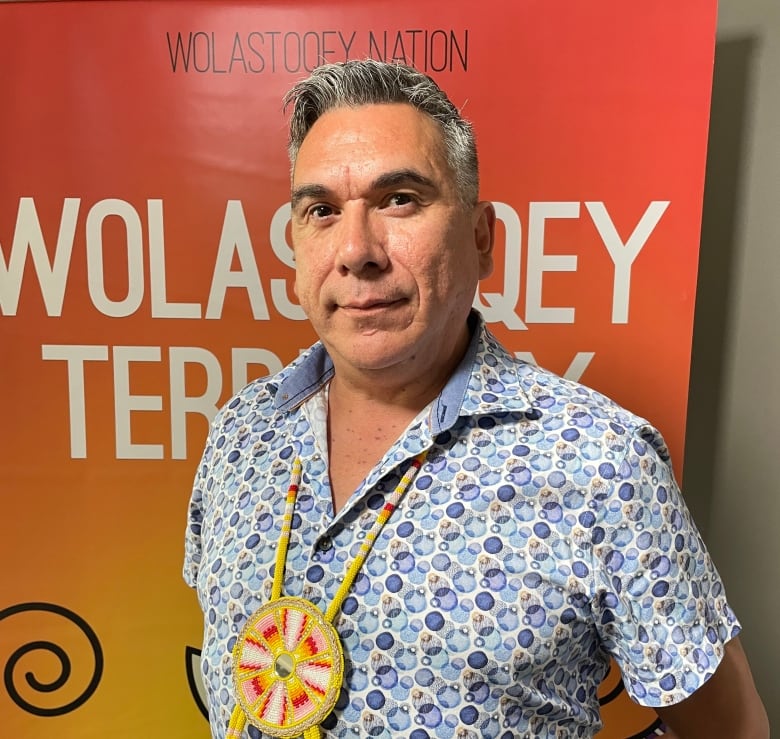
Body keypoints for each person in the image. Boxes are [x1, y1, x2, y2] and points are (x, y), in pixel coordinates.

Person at [184, 59, 768, 739]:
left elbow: (732, 727)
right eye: (321, 210)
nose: (356, 250)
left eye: (399, 199)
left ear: (482, 237)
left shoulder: (600, 462)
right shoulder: (240, 435)